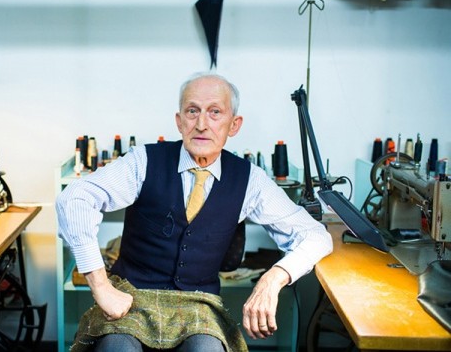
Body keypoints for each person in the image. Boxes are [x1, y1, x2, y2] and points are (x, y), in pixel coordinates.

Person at [56, 72, 333, 352]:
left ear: (234, 125)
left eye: (215, 112)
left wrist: (274, 278)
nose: (201, 124)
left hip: (199, 304)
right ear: (179, 121)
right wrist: (101, 286)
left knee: (206, 350)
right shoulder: (143, 161)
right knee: (117, 349)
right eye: (192, 111)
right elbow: (74, 199)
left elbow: (316, 236)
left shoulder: (250, 180)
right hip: (132, 297)